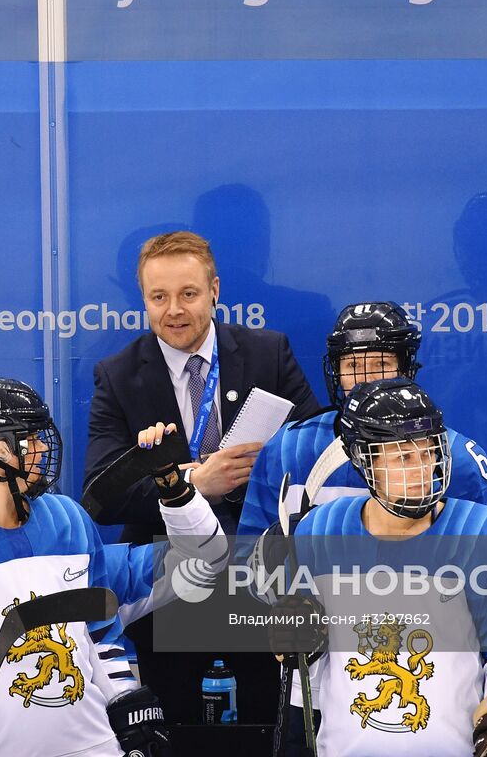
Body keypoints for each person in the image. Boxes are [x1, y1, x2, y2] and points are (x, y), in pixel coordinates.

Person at [0, 376, 212, 756]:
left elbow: (105, 629)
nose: (43, 446)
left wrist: (124, 698)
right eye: (30, 436)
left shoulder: (67, 519)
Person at [270, 378, 487, 756]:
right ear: (364, 460)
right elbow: (306, 661)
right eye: (402, 457)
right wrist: (296, 641)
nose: (421, 468)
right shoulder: (320, 529)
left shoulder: (479, 530)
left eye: (428, 452)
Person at [84, 230, 319, 542]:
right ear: (144, 299)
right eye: (159, 297)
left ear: (214, 291)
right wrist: (193, 482)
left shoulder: (268, 355)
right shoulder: (118, 376)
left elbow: (315, 454)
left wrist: (261, 468)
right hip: (165, 552)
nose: (173, 310)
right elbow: (102, 497)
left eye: (188, 294)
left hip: (266, 541)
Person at [240, 301, 487, 542]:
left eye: (381, 363)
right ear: (336, 373)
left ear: (406, 368)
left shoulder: (458, 458)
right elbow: (249, 556)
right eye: (352, 366)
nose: (366, 379)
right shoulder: (289, 446)